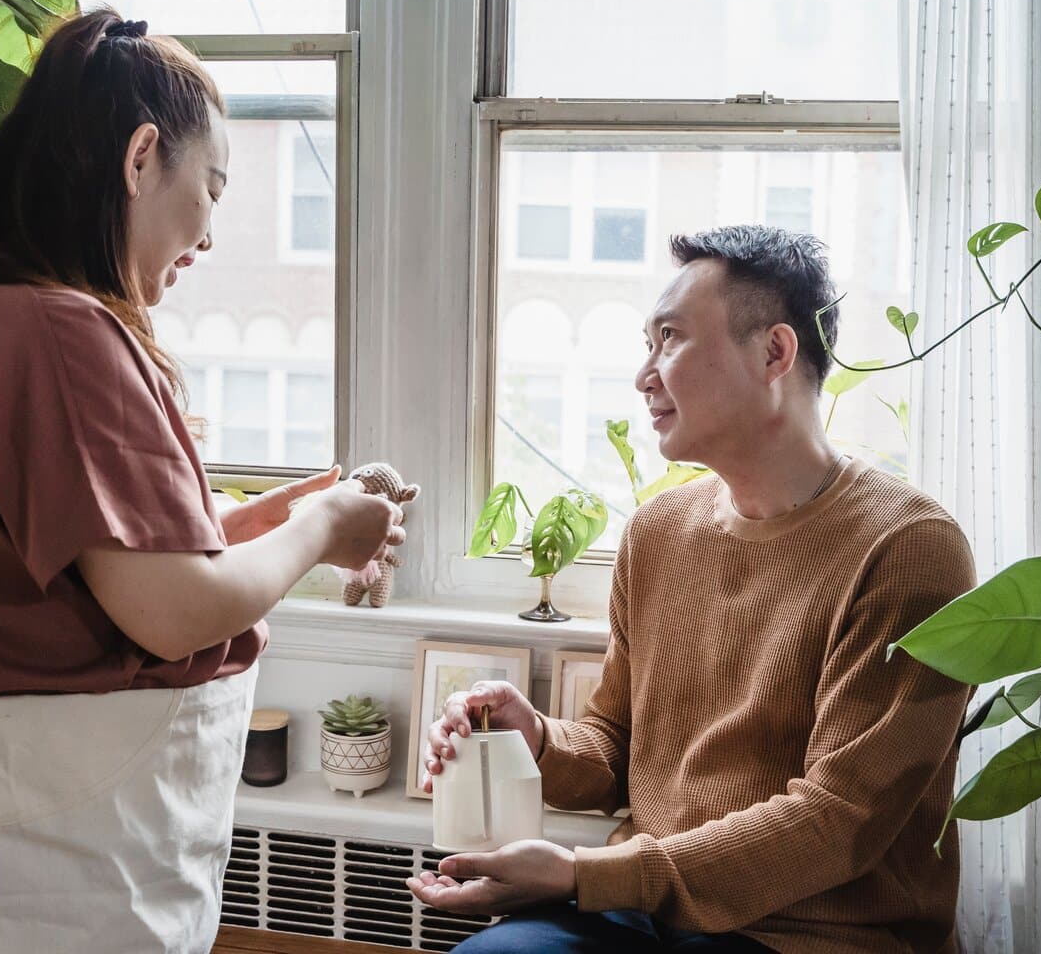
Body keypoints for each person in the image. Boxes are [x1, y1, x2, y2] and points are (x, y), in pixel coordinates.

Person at [0, 10, 402, 954]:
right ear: (139, 158)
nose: (210, 232)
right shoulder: (60, 332)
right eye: (210, 186)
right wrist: (323, 528)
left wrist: (272, 520)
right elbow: (169, 611)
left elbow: (105, 562)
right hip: (50, 858)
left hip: (26, 834)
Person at [411, 226, 976, 953]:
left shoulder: (909, 550)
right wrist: (539, 740)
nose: (645, 374)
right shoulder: (658, 530)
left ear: (774, 353)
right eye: (649, 343)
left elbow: (838, 822)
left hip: (810, 934)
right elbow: (616, 746)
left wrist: (585, 874)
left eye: (670, 338)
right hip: (645, 911)